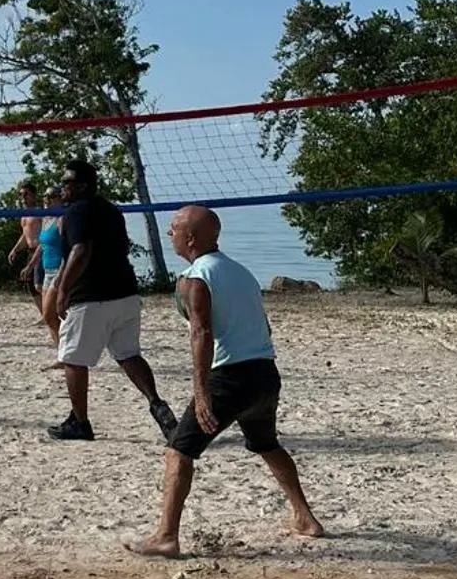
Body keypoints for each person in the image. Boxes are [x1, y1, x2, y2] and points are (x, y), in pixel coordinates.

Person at [127, 205, 323, 558]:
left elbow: (202, 332)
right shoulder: (241, 272)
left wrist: (201, 392)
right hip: (264, 372)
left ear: (191, 237)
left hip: (230, 377)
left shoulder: (197, 277)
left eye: (173, 228)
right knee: (266, 443)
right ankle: (305, 518)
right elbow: (265, 326)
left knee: (178, 450)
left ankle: (166, 536)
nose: (169, 233)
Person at [48, 156, 175, 442]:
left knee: (73, 360)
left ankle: (80, 422)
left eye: (66, 183)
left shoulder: (77, 212)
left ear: (81, 186)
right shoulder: (112, 211)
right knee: (128, 354)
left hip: (91, 297)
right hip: (125, 294)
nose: (62, 188)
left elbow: (81, 250)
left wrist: (63, 290)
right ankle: (157, 404)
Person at [6, 178, 46, 317]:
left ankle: (49, 313)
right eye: (21, 195)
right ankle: (44, 314)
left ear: (33, 195)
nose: (23, 198)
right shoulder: (24, 215)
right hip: (30, 250)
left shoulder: (40, 212)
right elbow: (25, 235)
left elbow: (45, 234)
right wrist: (15, 250)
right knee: (31, 284)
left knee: (40, 284)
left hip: (41, 250)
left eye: (26, 194)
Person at [37, 198, 65, 349]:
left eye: (51, 196)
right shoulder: (45, 219)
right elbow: (42, 246)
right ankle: (61, 352)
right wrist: (31, 265)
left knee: (50, 314)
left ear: (59, 199)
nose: (46, 199)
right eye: (45, 196)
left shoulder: (61, 219)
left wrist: (62, 271)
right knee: (49, 317)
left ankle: (66, 351)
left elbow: (69, 247)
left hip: (58, 270)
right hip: (47, 270)